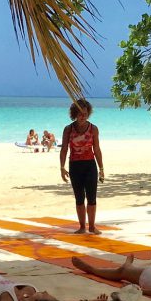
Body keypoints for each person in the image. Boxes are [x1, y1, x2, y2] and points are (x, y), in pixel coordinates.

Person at [60, 99, 104, 234]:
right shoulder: (68, 129)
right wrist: (62, 168)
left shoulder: (93, 129)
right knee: (79, 198)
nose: (83, 116)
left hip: (90, 165)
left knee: (91, 197)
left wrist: (101, 169)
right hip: (75, 165)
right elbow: (64, 150)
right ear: (74, 114)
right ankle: (82, 227)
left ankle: (91, 226)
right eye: (80, 114)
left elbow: (96, 149)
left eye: (85, 114)